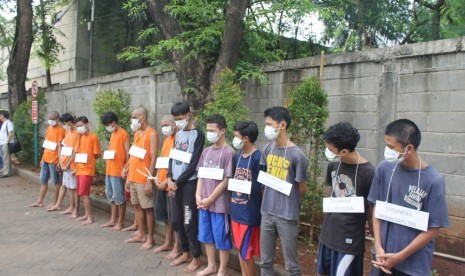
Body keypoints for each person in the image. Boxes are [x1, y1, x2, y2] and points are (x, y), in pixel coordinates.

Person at [368, 119, 450, 276]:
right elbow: (377, 208)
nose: (387, 151)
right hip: (381, 257)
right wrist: (378, 246)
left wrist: (400, 256)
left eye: (391, 147)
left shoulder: (433, 180)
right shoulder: (384, 169)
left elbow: (433, 228)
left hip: (413, 266)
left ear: (409, 148)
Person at [316, 122, 375, 276]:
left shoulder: (368, 173)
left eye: (330, 149)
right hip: (327, 236)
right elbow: (333, 195)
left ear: (344, 151)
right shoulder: (333, 165)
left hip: (349, 241)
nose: (327, 152)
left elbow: (371, 210)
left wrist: (374, 234)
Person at [259, 106, 308, 276]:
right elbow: (264, 179)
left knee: (291, 265)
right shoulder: (267, 149)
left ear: (282, 125)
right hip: (267, 212)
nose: (266, 127)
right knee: (265, 261)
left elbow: (302, 188)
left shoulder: (297, 155)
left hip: (287, 215)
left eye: (269, 124)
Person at [167, 102, 205, 272]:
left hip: (189, 183)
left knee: (189, 221)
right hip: (175, 183)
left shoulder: (198, 135)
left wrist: (177, 182)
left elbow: (193, 163)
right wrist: (169, 177)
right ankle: (185, 252)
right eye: (175, 119)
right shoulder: (178, 134)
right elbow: (172, 157)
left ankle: (196, 257)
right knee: (176, 220)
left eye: (180, 118)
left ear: (188, 115)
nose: (178, 122)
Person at [195, 114, 235, 276]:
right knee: (207, 236)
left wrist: (211, 199)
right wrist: (198, 195)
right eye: (207, 130)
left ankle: (222, 270)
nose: (209, 133)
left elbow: (226, 180)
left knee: (222, 239)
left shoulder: (229, 152)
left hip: (219, 205)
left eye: (212, 130)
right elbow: (201, 176)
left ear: (222, 131)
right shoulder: (206, 151)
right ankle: (211, 266)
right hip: (203, 204)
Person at [124, 107, 159, 250]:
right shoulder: (137, 133)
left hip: (144, 178)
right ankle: (140, 233)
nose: (131, 120)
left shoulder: (152, 134)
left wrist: (149, 180)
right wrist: (127, 175)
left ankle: (150, 238)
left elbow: (153, 158)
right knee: (137, 207)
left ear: (142, 118)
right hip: (133, 177)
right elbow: (133, 156)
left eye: (134, 117)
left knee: (148, 208)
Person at [230, 121, 262, 276]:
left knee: (246, 253)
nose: (234, 139)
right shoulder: (238, 156)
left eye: (236, 136)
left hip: (249, 215)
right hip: (236, 210)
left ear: (246, 138)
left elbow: (261, 188)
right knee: (240, 250)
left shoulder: (258, 158)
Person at [152, 115, 181, 258]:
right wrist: (157, 177)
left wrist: (166, 182)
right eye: (162, 125)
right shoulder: (166, 140)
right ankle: (168, 242)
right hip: (161, 184)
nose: (164, 128)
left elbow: (178, 166)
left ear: (175, 124)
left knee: (175, 218)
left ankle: (177, 246)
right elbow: (162, 160)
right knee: (166, 217)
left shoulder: (180, 140)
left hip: (171, 185)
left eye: (166, 125)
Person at [100, 112, 130, 231]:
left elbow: (128, 153)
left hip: (118, 171)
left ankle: (120, 222)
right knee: (112, 196)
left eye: (108, 124)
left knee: (119, 198)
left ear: (113, 122)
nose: (107, 127)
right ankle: (113, 219)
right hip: (110, 169)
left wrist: (126, 169)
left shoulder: (124, 134)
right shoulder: (113, 134)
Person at [29, 111, 66, 208]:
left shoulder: (61, 130)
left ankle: (56, 202)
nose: (50, 120)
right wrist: (42, 158)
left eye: (52, 119)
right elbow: (46, 144)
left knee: (56, 181)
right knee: (43, 180)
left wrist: (59, 160)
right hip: (46, 158)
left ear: (57, 119)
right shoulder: (49, 128)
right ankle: (40, 201)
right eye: (49, 118)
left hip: (54, 159)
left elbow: (60, 146)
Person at [47, 113, 80, 215]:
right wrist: (61, 161)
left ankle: (75, 209)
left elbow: (75, 151)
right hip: (65, 164)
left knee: (74, 188)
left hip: (73, 165)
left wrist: (67, 163)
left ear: (70, 122)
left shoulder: (77, 133)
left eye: (64, 123)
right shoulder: (67, 132)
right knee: (69, 186)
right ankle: (71, 206)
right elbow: (64, 148)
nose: (63, 125)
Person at [74, 116, 101, 225]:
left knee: (84, 194)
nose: (79, 128)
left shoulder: (93, 137)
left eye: (81, 125)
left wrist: (88, 158)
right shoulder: (80, 137)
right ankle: (86, 214)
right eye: (77, 126)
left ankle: (90, 217)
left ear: (87, 124)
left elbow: (97, 154)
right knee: (81, 193)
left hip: (87, 169)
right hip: (79, 168)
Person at [0, 111, 14, 178]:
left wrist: (7, 142)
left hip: (6, 143)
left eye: (0, 115)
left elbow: (10, 133)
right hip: (3, 143)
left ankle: (6, 173)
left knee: (6, 158)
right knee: (5, 158)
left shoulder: (9, 123)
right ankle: (7, 171)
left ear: (3, 116)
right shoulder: (4, 123)